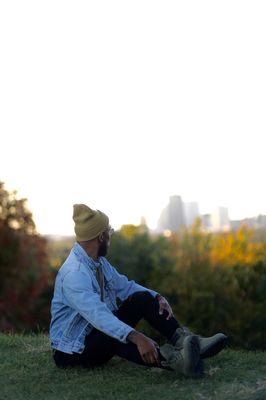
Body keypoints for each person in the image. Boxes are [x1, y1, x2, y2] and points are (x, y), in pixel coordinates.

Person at [49, 204, 227, 377]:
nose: (111, 236)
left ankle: (185, 341)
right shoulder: (75, 274)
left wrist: (156, 297)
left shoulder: (98, 263)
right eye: (109, 232)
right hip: (72, 352)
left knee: (142, 298)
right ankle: (175, 360)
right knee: (114, 333)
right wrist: (136, 336)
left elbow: (126, 286)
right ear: (101, 237)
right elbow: (99, 316)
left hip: (93, 335)